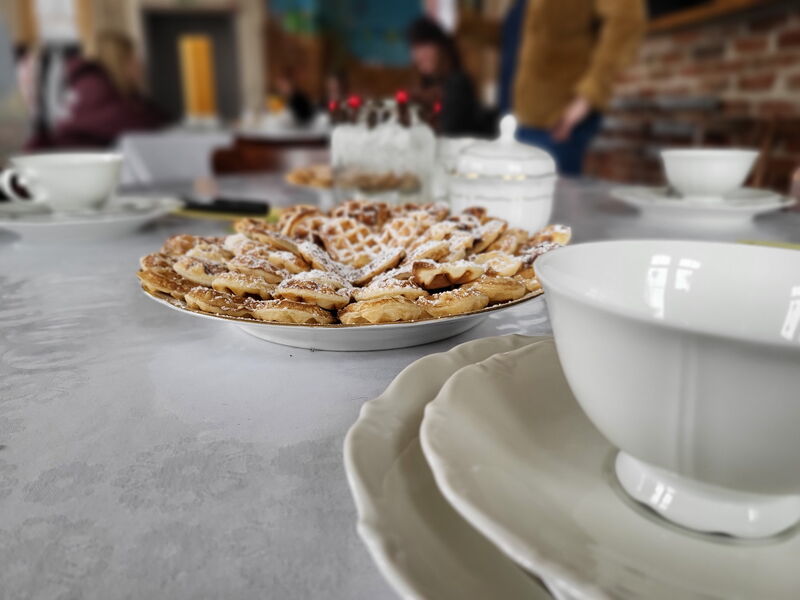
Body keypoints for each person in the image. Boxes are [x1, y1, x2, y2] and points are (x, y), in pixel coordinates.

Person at [501, 0, 647, 175]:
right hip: (525, 116)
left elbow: (626, 20)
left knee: (551, 197)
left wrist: (589, 95)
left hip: (559, 119)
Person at [28, 31, 166, 149]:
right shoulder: (93, 87)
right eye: (133, 57)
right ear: (118, 61)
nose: (140, 63)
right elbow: (135, 122)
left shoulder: (98, 86)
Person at [407, 17, 491, 137]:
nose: (420, 55)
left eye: (426, 46)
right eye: (416, 48)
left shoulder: (458, 83)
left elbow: (447, 132)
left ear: (443, 48)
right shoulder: (424, 86)